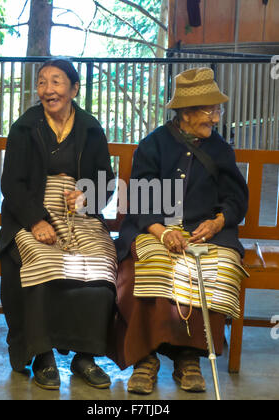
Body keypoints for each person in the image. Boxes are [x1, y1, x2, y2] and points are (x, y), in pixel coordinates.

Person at [111, 67, 249, 395]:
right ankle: (145, 358)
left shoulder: (219, 148)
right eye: (209, 111)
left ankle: (191, 356)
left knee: (217, 269)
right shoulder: (153, 145)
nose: (215, 119)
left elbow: (235, 198)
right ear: (186, 113)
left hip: (207, 231)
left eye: (217, 110)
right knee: (146, 269)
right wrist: (162, 232)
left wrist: (218, 221)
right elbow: (141, 198)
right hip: (155, 227)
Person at [0, 59, 117, 390]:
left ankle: (85, 355)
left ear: (74, 89)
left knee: (101, 263)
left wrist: (86, 194)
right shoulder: (25, 127)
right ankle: (42, 354)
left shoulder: (90, 128)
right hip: (31, 210)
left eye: (57, 82)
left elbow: (106, 181)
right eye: (42, 82)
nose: (48, 90)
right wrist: (35, 220)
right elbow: (12, 184)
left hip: (77, 213)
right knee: (43, 261)